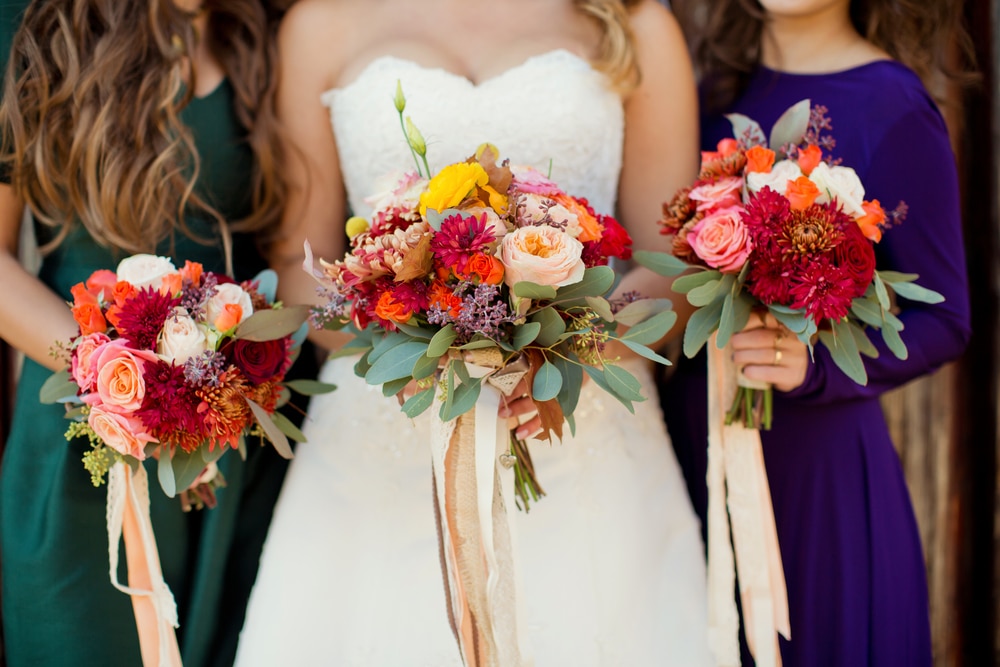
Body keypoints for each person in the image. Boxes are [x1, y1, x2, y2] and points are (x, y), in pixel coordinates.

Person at [234, 0, 713, 664]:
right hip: (382, 444)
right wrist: (419, 334)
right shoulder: (321, 23)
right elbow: (296, 267)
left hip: (581, 432)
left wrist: (557, 347)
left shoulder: (633, 20)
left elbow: (672, 268)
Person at [0, 1, 314, 665]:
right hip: (81, 435)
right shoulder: (31, 25)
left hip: (235, 438)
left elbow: (295, 252)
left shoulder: (272, 28)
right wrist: (118, 377)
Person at [661, 0, 974, 664]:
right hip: (694, 450)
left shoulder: (892, 105)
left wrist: (816, 365)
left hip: (817, 476)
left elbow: (946, 318)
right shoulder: (714, 89)